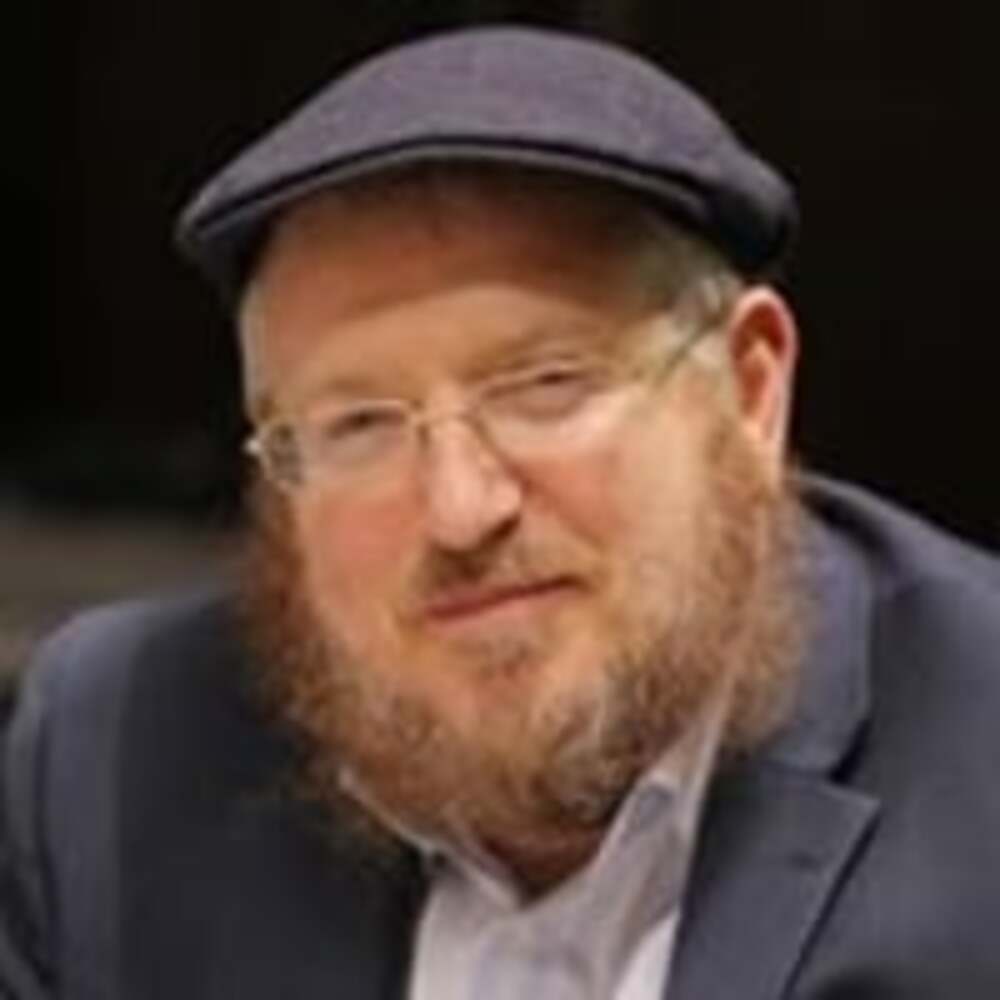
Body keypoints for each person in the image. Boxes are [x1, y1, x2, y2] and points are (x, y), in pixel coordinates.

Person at [2, 25, 999, 1000]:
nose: (459, 511)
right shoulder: (109, 746)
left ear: (749, 389)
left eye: (546, 385)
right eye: (358, 424)